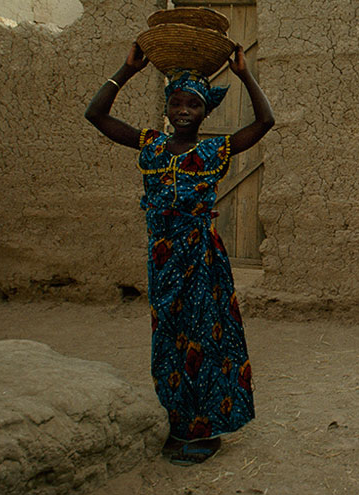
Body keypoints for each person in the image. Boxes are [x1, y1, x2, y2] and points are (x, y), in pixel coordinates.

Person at [84, 42, 275, 465]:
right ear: (167, 107)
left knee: (205, 341)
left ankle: (205, 429)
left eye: (193, 104)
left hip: (201, 260)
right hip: (162, 261)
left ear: (205, 112)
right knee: (168, 341)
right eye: (176, 101)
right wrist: (127, 69)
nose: (184, 109)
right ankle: (178, 422)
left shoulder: (213, 152)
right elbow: (95, 115)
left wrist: (244, 75)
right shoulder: (150, 145)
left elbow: (266, 121)